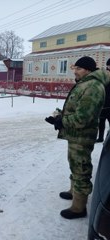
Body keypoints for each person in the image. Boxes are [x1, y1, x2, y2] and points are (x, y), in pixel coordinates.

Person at [45, 56, 109, 219]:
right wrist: (59, 116)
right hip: (76, 136)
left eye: (78, 69)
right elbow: (77, 109)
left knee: (81, 168)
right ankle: (73, 191)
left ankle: (79, 208)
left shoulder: (93, 86)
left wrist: (62, 121)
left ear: (87, 70)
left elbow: (84, 117)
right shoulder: (85, 84)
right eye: (75, 68)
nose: (75, 71)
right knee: (74, 163)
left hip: (82, 136)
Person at [96, 58, 110, 142]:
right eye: (108, 65)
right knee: (101, 123)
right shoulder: (104, 76)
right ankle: (100, 138)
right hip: (102, 105)